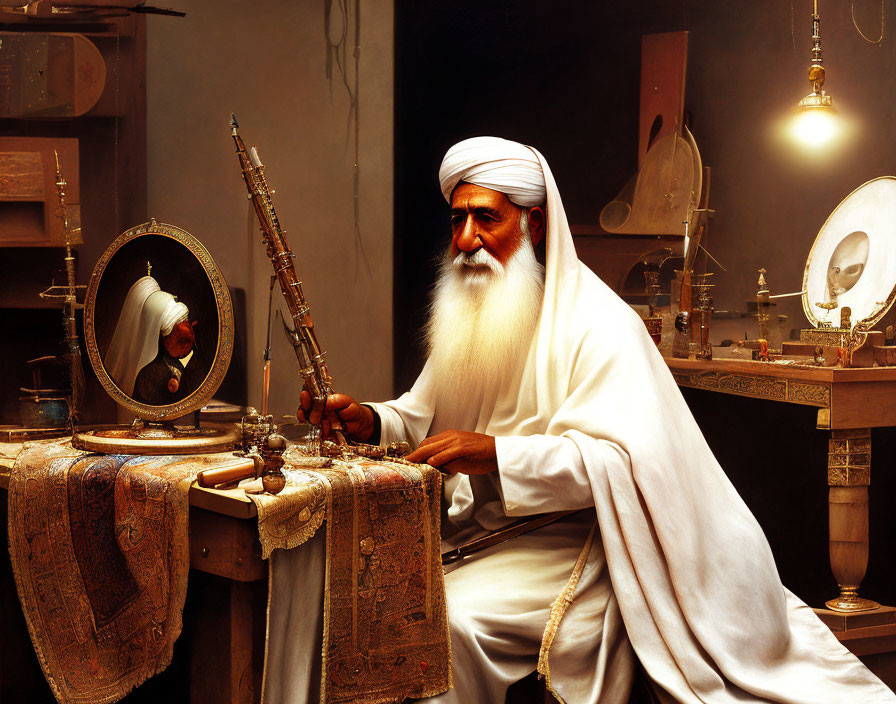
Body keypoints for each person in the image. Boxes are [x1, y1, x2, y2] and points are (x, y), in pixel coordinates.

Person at [292, 136, 895, 703]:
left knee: (452, 625)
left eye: (487, 218)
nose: (467, 239)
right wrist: (371, 420)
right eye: (458, 219)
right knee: (364, 600)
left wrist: (497, 455)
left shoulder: (602, 326)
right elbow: (424, 417)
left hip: (582, 549)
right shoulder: (473, 313)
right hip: (478, 536)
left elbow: (626, 464)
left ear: (534, 223)